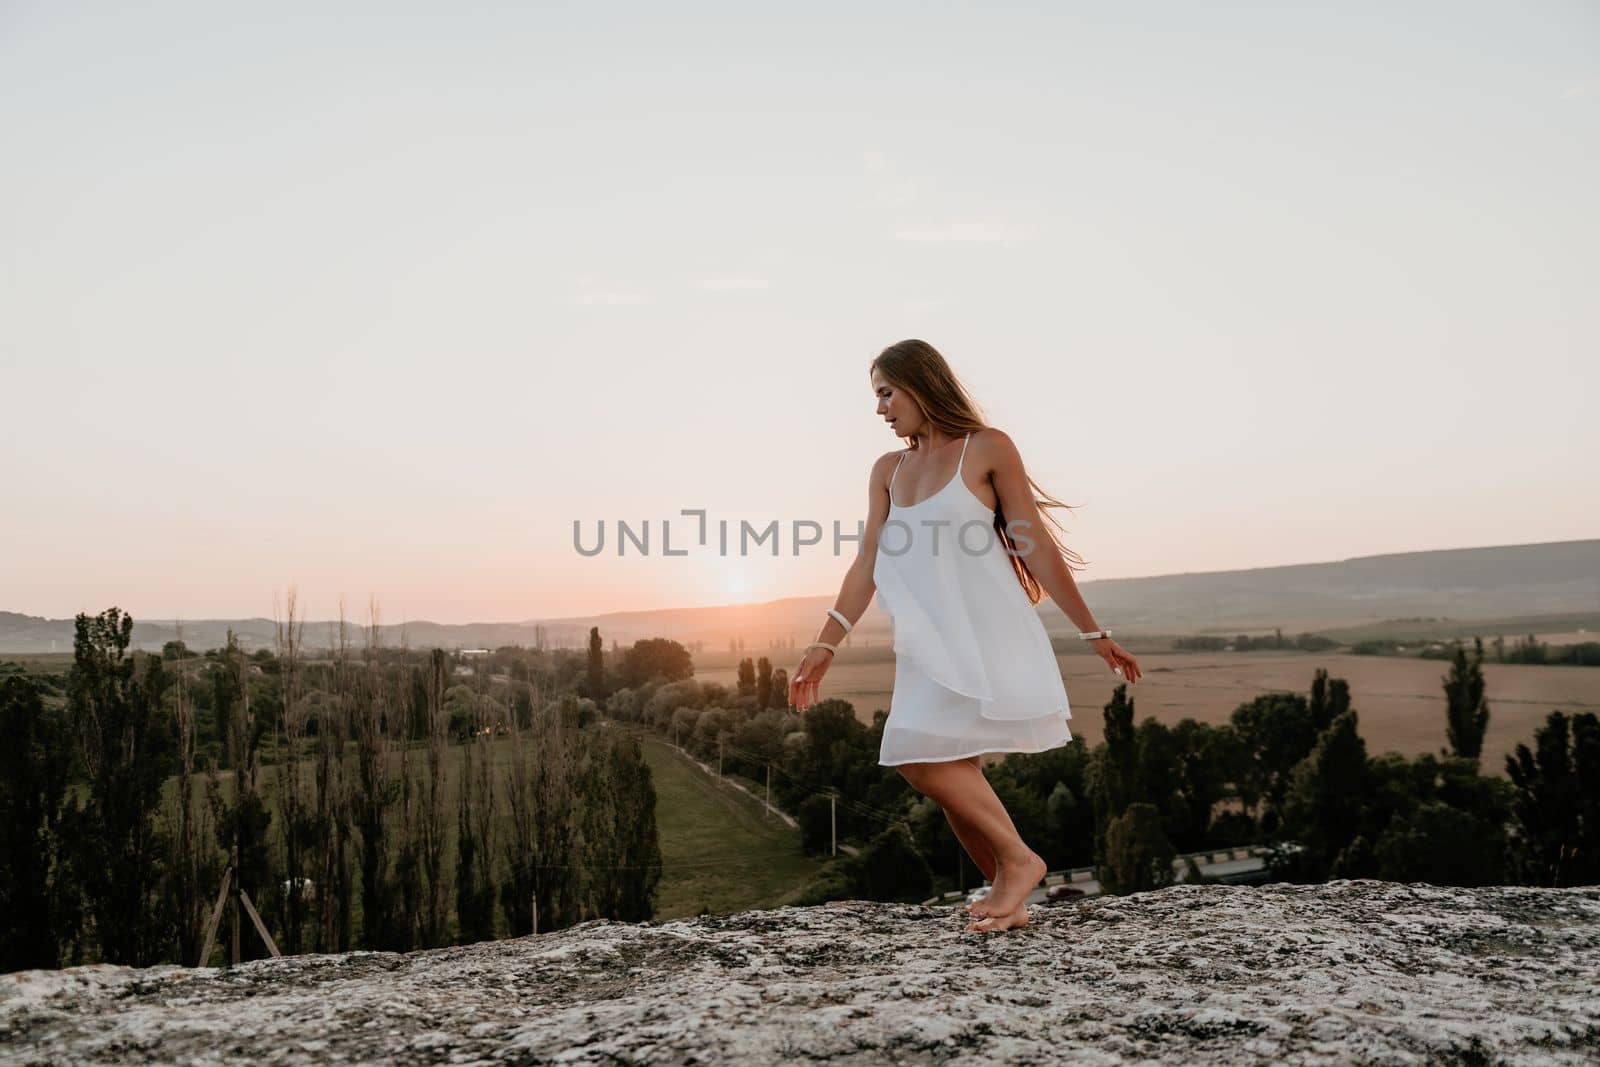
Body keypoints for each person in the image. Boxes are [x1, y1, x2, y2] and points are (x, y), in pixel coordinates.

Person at [788, 339, 1142, 933]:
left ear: (920, 383)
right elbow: (867, 562)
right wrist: (825, 644)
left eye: (885, 393)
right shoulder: (887, 471)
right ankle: (1012, 899)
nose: (879, 410)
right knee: (953, 770)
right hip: (927, 640)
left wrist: (1093, 631)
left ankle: (1020, 862)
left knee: (920, 756)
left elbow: (1034, 545)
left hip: (987, 630)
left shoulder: (987, 448)